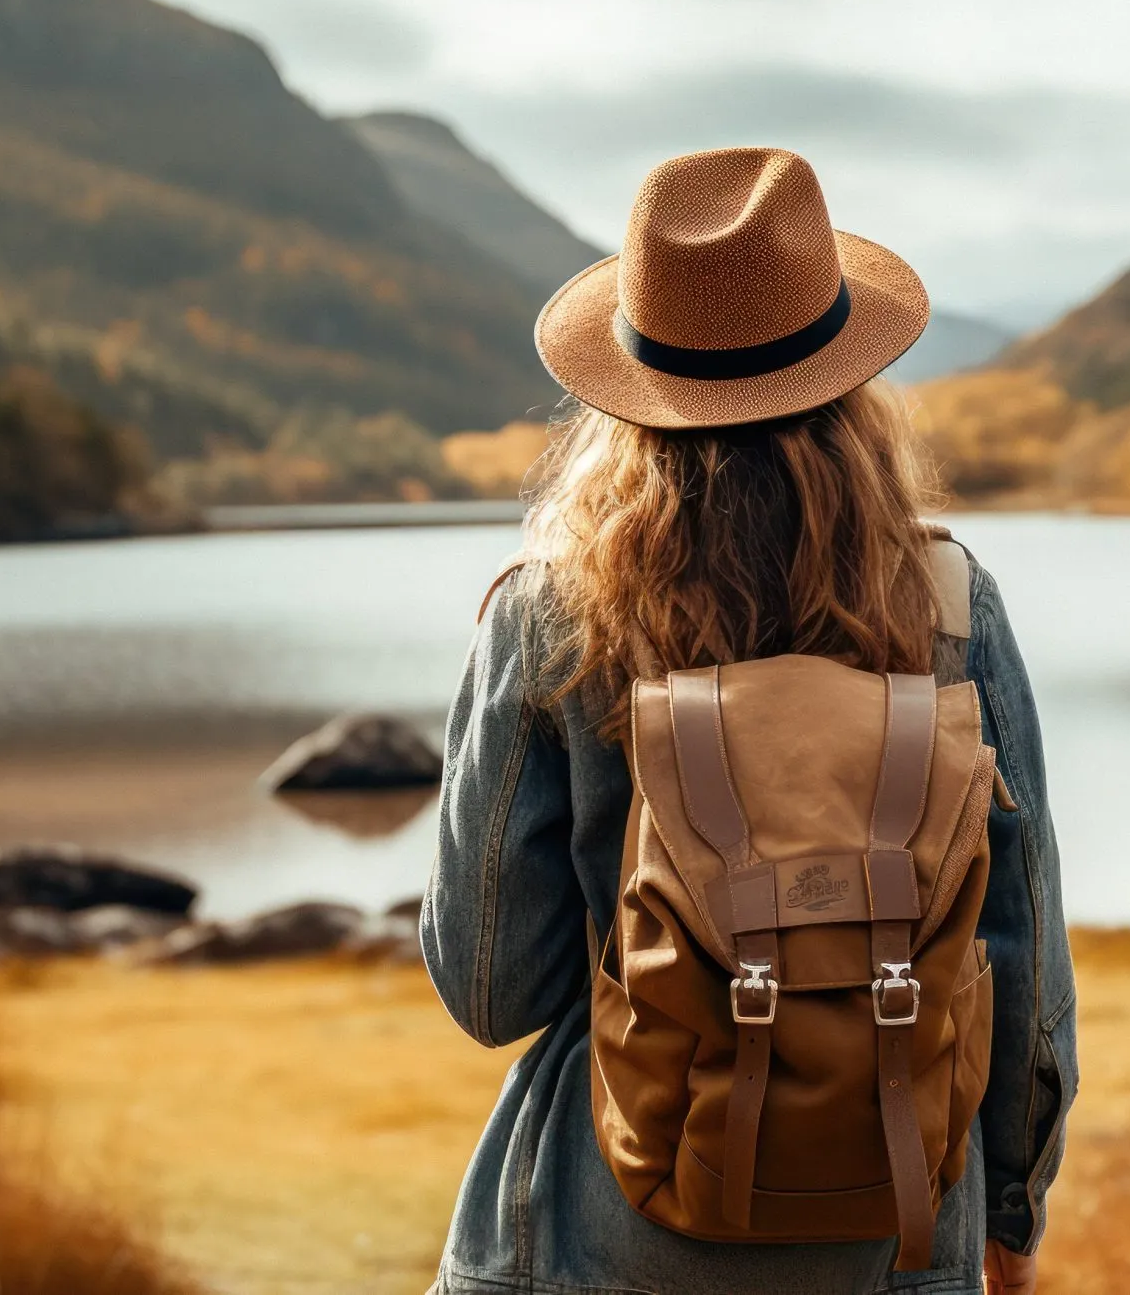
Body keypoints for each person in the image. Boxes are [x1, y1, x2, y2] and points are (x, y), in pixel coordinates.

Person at [421, 147, 1075, 1295]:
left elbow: (489, 990)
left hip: (593, 1228)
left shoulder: (550, 612)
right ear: (849, 380)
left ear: (628, 399)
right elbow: (1017, 963)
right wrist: (1010, 1211)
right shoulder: (954, 610)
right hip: (900, 1232)